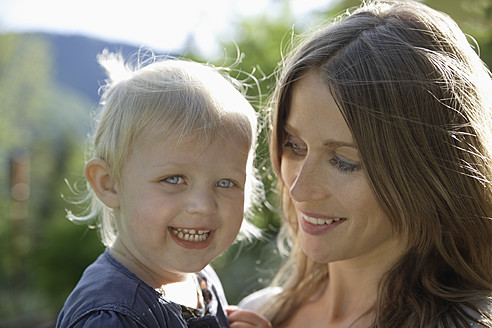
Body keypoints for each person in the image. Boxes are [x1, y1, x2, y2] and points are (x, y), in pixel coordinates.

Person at [237, 0, 492, 327]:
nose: (300, 190)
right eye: (294, 146)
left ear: (428, 171)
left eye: (344, 161)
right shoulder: (256, 313)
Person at [56, 51, 271, 328]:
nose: (204, 205)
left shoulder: (198, 279)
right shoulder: (111, 316)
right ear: (109, 183)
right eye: (173, 179)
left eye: (225, 183)